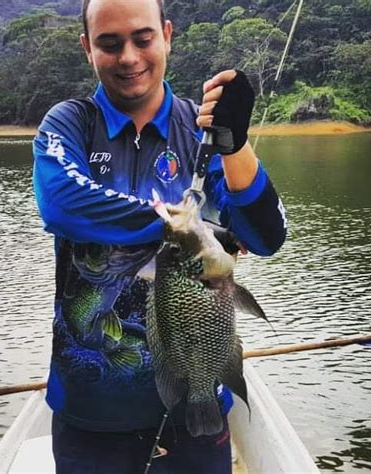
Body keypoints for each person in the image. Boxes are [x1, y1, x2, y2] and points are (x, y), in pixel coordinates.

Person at [32, 0, 287, 472]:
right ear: (88, 47)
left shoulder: (202, 134)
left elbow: (268, 236)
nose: (129, 56)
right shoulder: (70, 124)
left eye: (142, 38)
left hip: (198, 406)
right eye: (110, 43)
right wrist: (190, 230)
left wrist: (235, 141)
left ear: (167, 34)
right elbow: (61, 201)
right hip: (90, 413)